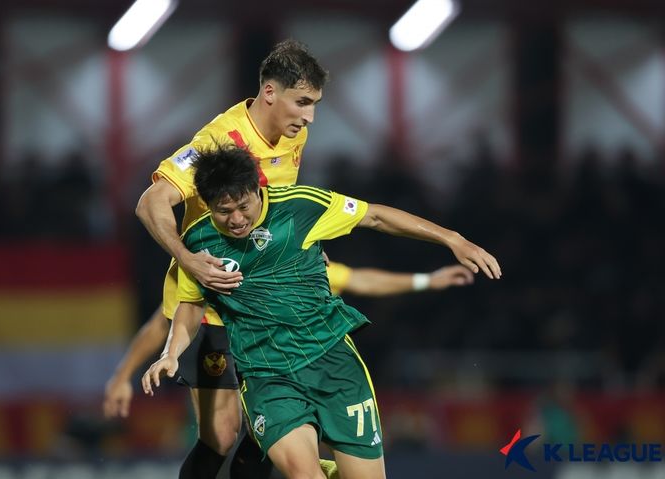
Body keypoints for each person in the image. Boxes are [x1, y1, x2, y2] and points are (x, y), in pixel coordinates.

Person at [141, 145, 501, 479]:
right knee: (303, 474)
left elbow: (374, 217)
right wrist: (171, 353)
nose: (236, 218)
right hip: (267, 376)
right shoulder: (197, 244)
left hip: (333, 364)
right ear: (207, 204)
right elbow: (190, 304)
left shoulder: (301, 207)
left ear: (257, 188)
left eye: (243, 206)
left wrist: (452, 239)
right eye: (223, 211)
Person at [133, 39, 327, 478]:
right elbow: (151, 202)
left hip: (265, 301)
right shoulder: (218, 141)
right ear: (270, 93)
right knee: (221, 434)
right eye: (302, 103)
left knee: (273, 425)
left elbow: (278, 204)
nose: (309, 116)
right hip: (212, 302)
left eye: (314, 104)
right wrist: (188, 258)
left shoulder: (297, 134)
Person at [103, 262, 474, 474]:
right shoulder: (203, 250)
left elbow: (356, 279)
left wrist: (427, 279)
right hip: (215, 337)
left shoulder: (293, 249)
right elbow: (162, 322)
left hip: (275, 353)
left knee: (262, 436)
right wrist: (123, 376)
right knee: (222, 436)